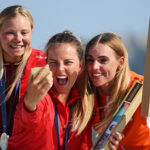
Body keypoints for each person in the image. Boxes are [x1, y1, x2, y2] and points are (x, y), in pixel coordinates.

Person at [7, 31, 94, 150]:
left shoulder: (84, 104)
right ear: (46, 64)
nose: (60, 69)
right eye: (53, 63)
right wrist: (30, 102)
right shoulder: (40, 97)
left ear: (80, 66)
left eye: (68, 62)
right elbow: (29, 115)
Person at [85, 32, 150, 150]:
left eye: (103, 60)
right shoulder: (87, 95)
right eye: (90, 60)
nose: (94, 66)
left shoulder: (142, 88)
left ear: (120, 62)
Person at [0, 5, 46, 148]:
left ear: (32, 32)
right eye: (10, 33)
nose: (18, 39)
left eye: (24, 32)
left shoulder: (43, 63)